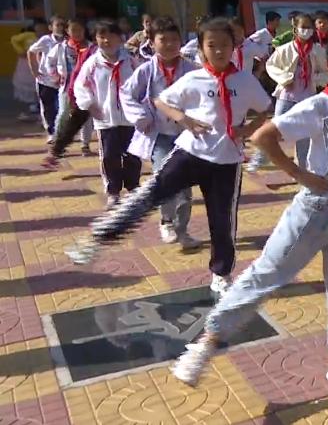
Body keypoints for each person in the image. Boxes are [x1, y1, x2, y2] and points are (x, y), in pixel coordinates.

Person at [170, 28, 328, 391]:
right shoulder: (318, 106)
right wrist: (299, 173)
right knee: (266, 275)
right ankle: (206, 343)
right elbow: (262, 136)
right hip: (313, 211)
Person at [66, 18, 272, 296]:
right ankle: (98, 238)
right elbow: (162, 100)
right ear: (201, 48)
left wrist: (246, 129)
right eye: (212, 46)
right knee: (151, 193)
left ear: (234, 47)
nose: (220, 51)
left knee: (222, 221)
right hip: (190, 153)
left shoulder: (245, 80)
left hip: (226, 160)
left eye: (225, 45)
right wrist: (184, 120)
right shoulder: (194, 78)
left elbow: (265, 109)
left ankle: (221, 274)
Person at [120, 18, 199, 248]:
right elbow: (127, 94)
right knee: (165, 177)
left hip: (186, 135)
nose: (170, 44)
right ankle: (166, 221)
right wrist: (139, 117)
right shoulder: (146, 70)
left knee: (185, 185)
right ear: (152, 43)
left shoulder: (192, 69)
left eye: (174, 40)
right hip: (160, 135)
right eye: (163, 40)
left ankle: (182, 230)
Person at [72, 21, 141, 209]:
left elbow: (143, 83)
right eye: (101, 36)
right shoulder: (93, 63)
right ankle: (113, 191)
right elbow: (81, 86)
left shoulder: (132, 61)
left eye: (110, 36)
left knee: (132, 155)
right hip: (105, 119)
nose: (106, 40)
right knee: (109, 156)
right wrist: (89, 104)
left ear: (120, 38)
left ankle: (133, 187)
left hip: (130, 119)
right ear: (95, 39)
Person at [261, 13, 328, 168]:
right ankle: (262, 156)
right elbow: (271, 66)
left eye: (309, 28)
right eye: (303, 27)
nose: (306, 31)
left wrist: (314, 78)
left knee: (304, 135)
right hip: (287, 96)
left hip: (307, 97)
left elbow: (325, 72)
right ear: (295, 29)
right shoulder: (285, 49)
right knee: (275, 128)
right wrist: (285, 78)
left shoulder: (317, 50)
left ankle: (303, 168)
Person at [40, 17, 97, 164]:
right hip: (68, 87)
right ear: (67, 31)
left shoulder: (92, 49)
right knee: (64, 113)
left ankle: (85, 144)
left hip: (87, 89)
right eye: (74, 30)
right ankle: (57, 139)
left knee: (86, 117)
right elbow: (49, 62)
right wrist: (55, 75)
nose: (77, 33)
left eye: (80, 30)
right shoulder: (62, 47)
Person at [27, 15, 68, 140]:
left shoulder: (68, 41)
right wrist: (34, 70)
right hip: (45, 80)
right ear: (51, 27)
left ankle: (61, 131)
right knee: (48, 107)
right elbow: (31, 51)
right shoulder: (46, 40)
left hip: (63, 80)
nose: (60, 28)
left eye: (62, 25)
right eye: (57, 25)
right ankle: (51, 132)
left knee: (63, 107)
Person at [11, 19, 45, 123]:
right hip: (27, 64)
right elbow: (14, 39)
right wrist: (20, 51)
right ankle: (33, 108)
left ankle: (39, 109)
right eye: (38, 28)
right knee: (30, 86)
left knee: (40, 86)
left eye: (43, 28)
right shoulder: (29, 35)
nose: (40, 31)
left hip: (41, 64)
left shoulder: (46, 39)